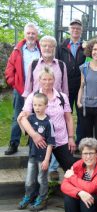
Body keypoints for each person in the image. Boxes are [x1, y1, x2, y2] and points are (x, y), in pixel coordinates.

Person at [23, 35, 69, 181]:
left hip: (56, 106)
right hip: (38, 111)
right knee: (41, 145)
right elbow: (28, 88)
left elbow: (65, 89)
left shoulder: (61, 65)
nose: (47, 48)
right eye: (45, 46)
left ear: (54, 48)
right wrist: (28, 108)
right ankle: (39, 178)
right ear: (40, 48)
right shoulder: (34, 64)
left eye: (50, 46)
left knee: (57, 136)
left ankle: (53, 168)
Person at [18, 66, 77, 172]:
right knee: (39, 174)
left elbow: (68, 118)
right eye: (44, 79)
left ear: (54, 80)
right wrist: (34, 135)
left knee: (71, 169)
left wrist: (71, 137)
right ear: (39, 80)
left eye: (50, 79)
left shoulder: (62, 97)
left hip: (61, 139)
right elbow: (22, 118)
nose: (47, 82)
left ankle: (76, 188)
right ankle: (40, 189)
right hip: (41, 141)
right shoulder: (33, 97)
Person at [4, 23, 40, 155]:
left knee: (37, 116)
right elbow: (9, 70)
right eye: (29, 33)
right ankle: (14, 143)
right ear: (25, 34)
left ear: (37, 35)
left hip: (37, 90)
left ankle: (33, 144)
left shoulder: (40, 50)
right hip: (20, 90)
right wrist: (14, 83)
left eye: (33, 33)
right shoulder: (17, 50)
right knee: (17, 116)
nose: (31, 35)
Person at [17, 93, 55, 211]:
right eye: (35, 105)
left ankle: (42, 199)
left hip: (43, 158)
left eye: (40, 105)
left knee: (41, 179)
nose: (37, 108)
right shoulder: (31, 119)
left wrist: (47, 160)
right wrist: (19, 121)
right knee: (29, 179)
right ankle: (28, 196)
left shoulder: (49, 122)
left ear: (46, 106)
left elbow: (51, 143)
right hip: (32, 156)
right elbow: (25, 133)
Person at [56, 19, 86, 146]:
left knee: (81, 115)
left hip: (81, 86)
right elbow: (57, 64)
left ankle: (80, 142)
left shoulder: (85, 46)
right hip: (65, 87)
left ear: (81, 31)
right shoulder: (61, 46)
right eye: (73, 28)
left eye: (78, 28)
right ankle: (64, 141)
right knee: (64, 114)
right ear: (69, 30)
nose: (75, 30)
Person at [77, 39, 97, 158]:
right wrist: (79, 102)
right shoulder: (84, 67)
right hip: (86, 107)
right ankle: (88, 160)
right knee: (87, 138)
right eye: (95, 49)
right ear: (90, 51)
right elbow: (81, 86)